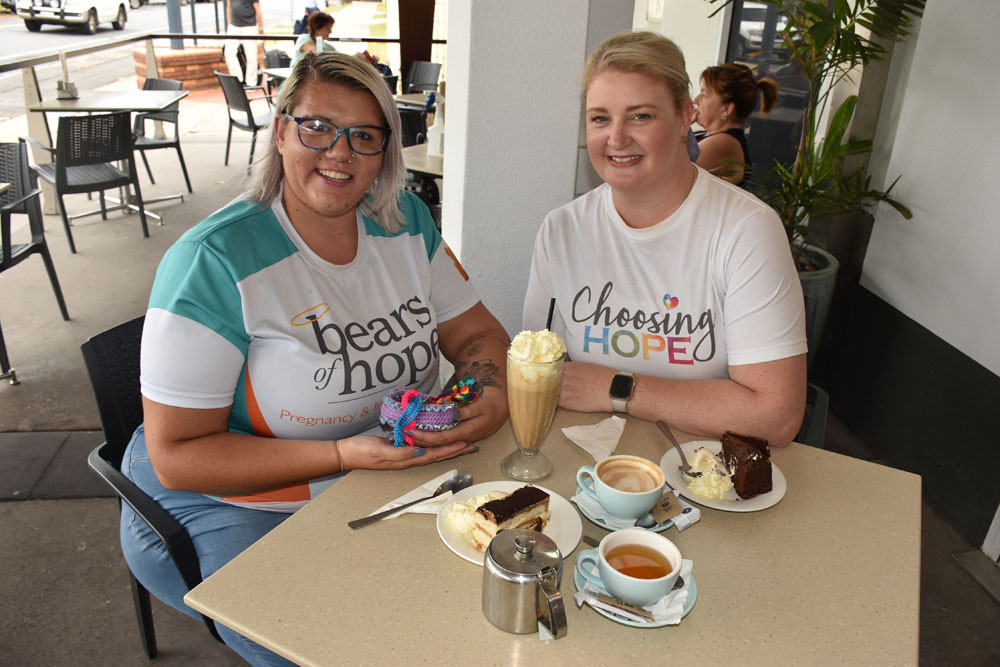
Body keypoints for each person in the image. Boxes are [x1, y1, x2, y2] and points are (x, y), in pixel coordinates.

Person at [121, 52, 510, 666]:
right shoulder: (212, 262)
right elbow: (177, 457)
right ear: (280, 132)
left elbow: (480, 336)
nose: (340, 153)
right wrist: (339, 454)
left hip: (372, 470)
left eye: (364, 135)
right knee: (318, 648)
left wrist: (486, 394)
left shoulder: (405, 222)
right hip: (230, 501)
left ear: (386, 150)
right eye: (316, 128)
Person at [522, 31, 806, 447]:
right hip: (587, 471)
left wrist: (617, 387)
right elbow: (543, 373)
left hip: (705, 476)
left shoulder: (746, 230)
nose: (616, 138)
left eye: (640, 116)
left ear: (684, 118)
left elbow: (776, 416)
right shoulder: (561, 231)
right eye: (600, 118)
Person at [693, 63, 779, 186]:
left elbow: (667, 175)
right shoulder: (715, 136)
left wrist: (680, 126)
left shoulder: (724, 142)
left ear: (726, 109)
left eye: (704, 94)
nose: (696, 100)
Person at [224, 0, 264, 85]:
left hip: (250, 26)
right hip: (234, 26)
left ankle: (251, 82)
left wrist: (261, 28)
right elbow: (228, 7)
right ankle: (237, 80)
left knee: (251, 55)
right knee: (229, 53)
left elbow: (258, 9)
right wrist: (229, 25)